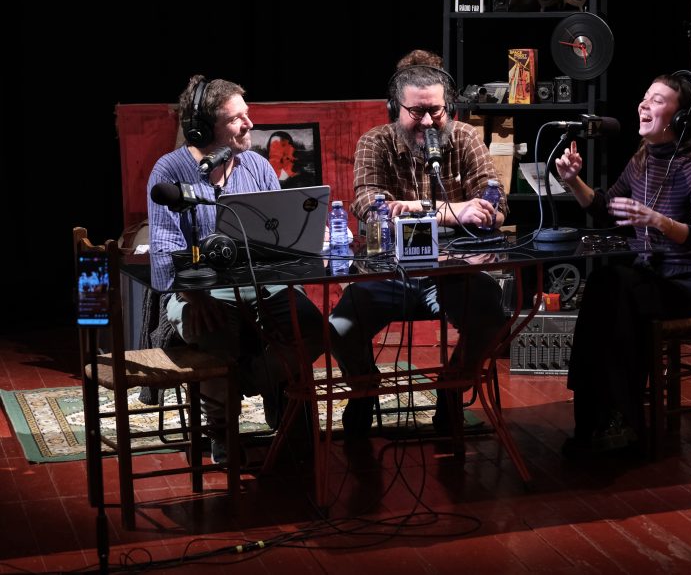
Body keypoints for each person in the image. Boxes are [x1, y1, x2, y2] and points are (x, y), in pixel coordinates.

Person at [146, 74, 334, 461]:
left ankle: (241, 381)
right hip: (197, 291)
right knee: (212, 330)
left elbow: (280, 238)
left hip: (263, 285)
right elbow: (164, 251)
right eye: (236, 119)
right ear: (202, 128)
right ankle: (222, 430)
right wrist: (195, 297)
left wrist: (308, 241)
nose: (249, 124)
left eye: (247, 114)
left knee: (314, 330)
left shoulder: (257, 166)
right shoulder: (169, 172)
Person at [329, 55, 508, 435]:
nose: (428, 121)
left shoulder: (465, 137)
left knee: (492, 318)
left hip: (454, 271)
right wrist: (452, 211)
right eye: (417, 112)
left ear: (449, 108)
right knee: (339, 329)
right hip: (387, 274)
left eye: (436, 111)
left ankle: (451, 388)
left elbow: (495, 207)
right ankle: (364, 388)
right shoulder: (374, 142)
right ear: (395, 109)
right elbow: (370, 205)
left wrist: (413, 208)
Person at [554, 70, 691, 456]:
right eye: (645, 97)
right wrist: (573, 181)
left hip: (688, 285)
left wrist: (658, 221)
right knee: (603, 284)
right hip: (650, 281)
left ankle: (621, 421)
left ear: (681, 118)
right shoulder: (642, 160)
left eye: (657, 101)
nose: (644, 105)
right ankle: (594, 421)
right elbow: (605, 209)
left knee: (617, 290)